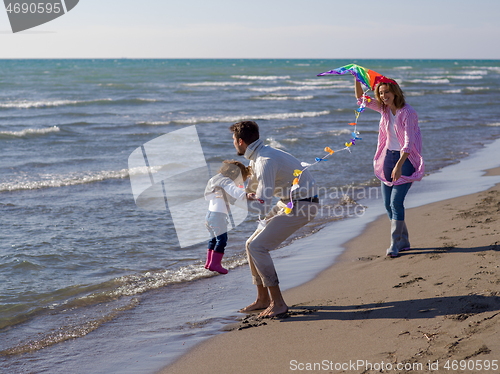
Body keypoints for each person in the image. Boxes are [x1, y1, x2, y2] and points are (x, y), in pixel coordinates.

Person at [229, 121, 319, 318]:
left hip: (303, 204)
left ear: (241, 141)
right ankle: (262, 299)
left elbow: (262, 203)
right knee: (250, 244)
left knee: (258, 247)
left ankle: (278, 303)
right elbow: (253, 191)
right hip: (289, 202)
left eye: (234, 140)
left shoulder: (264, 161)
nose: (234, 143)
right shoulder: (258, 156)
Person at [355, 77, 424, 258]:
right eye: (380, 93)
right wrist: (356, 79)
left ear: (394, 92)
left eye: (386, 92)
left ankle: (395, 243)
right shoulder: (384, 109)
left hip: (405, 160)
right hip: (388, 157)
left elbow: (408, 143)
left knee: (396, 202)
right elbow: (361, 99)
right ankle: (404, 240)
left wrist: (399, 165)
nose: (383, 96)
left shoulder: (408, 112)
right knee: (387, 203)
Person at [204, 160, 254, 274]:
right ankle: (215, 264)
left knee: (213, 239)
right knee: (222, 240)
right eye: (239, 180)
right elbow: (234, 190)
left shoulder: (215, 179)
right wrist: (246, 195)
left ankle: (209, 263)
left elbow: (206, 196)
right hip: (218, 217)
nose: (239, 183)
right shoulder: (226, 181)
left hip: (209, 216)